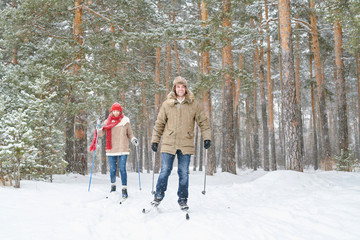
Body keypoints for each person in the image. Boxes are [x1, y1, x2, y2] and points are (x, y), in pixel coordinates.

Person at [150, 76, 211, 210]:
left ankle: (183, 199)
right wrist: (155, 140)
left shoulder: (194, 104)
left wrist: (207, 138)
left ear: (186, 88)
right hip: (168, 142)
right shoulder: (167, 104)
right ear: (174, 88)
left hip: (186, 143)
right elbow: (159, 123)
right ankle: (158, 196)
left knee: (183, 173)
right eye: (178, 86)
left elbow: (203, 123)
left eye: (183, 86)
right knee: (165, 170)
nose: (180, 89)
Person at [89, 102, 138, 199]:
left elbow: (130, 134)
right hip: (111, 149)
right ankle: (113, 187)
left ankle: (124, 189)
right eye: (114, 111)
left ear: (120, 111)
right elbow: (101, 134)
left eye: (118, 111)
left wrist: (133, 139)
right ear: (112, 111)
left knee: (122, 169)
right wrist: (98, 127)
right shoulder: (107, 121)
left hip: (123, 148)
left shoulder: (125, 121)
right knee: (112, 169)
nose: (116, 113)